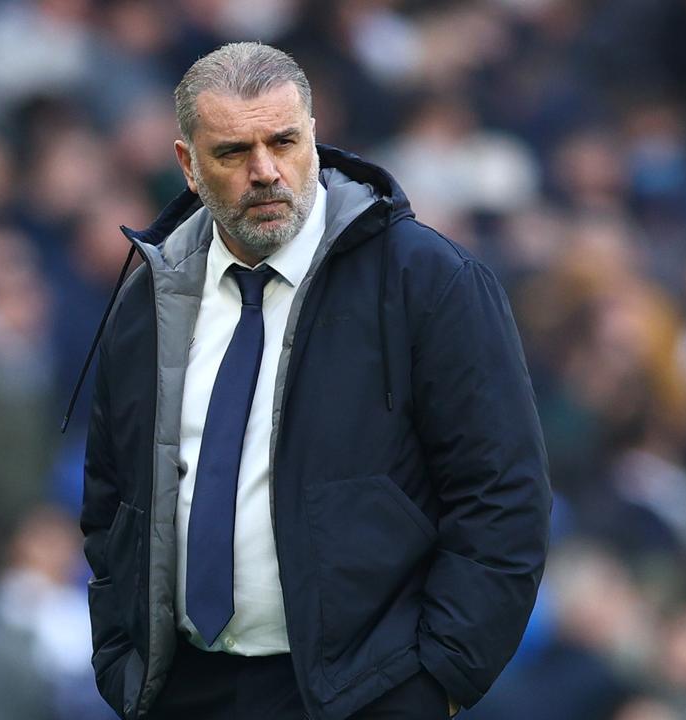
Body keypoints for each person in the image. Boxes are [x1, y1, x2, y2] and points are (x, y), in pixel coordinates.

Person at [70, 41, 550, 720]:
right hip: (184, 692)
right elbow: (112, 499)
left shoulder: (426, 281)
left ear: (314, 139)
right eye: (234, 152)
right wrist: (123, 658)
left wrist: (436, 678)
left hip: (371, 694)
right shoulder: (147, 299)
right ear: (187, 165)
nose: (265, 171)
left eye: (284, 141)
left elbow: (504, 494)